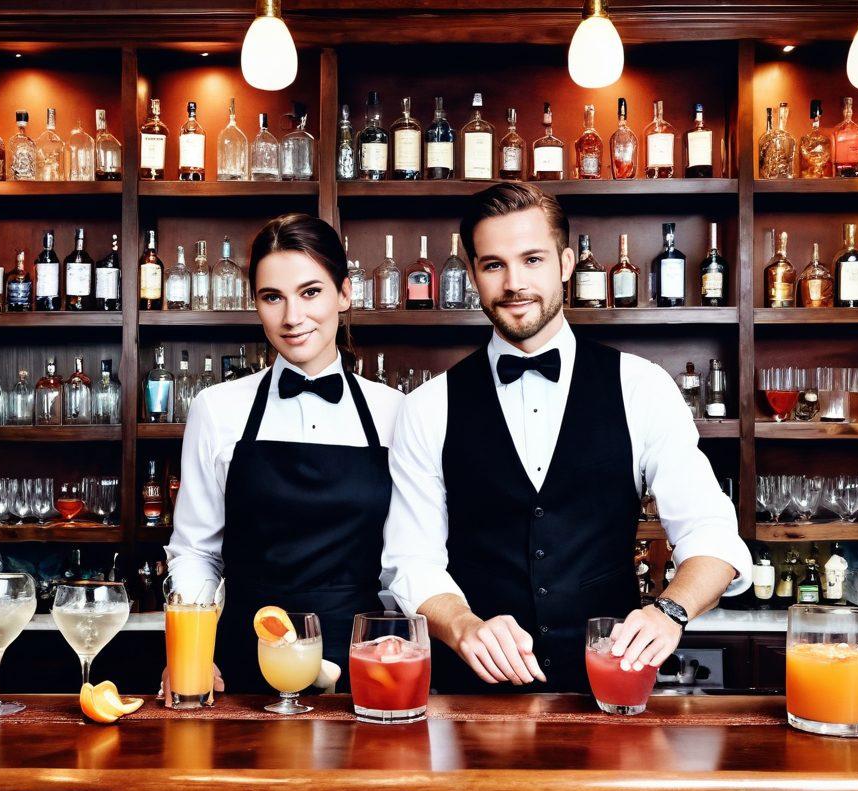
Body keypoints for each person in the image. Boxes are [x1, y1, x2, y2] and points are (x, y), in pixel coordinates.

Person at [380, 183, 752, 693]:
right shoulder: (428, 406)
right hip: (470, 700)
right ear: (472, 277)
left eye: (532, 259)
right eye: (493, 265)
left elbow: (711, 533)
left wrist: (669, 610)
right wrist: (464, 626)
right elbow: (411, 560)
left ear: (566, 263)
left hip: (610, 684)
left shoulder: (640, 386)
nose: (514, 283)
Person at [164, 213, 403, 695]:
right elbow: (196, 551)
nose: (292, 317)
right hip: (246, 661)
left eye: (311, 292)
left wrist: (407, 647)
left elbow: (405, 559)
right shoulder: (218, 409)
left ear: (345, 293)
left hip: (367, 663)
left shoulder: (394, 411)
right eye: (273, 297)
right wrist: (189, 655)